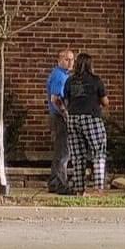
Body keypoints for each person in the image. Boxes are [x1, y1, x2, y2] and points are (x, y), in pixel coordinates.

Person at [63, 53, 109, 196]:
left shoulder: (70, 81)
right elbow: (105, 101)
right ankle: (98, 188)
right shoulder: (96, 80)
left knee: (78, 156)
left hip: (73, 118)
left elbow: (66, 100)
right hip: (92, 118)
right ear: (90, 65)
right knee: (98, 153)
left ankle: (79, 189)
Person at [46, 48, 74, 194]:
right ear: (59, 60)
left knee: (61, 151)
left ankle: (54, 182)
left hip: (57, 117)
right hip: (59, 118)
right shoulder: (59, 76)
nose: (70, 63)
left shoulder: (63, 75)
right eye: (66, 59)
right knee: (63, 152)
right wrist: (66, 114)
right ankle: (60, 184)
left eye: (72, 59)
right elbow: (56, 98)